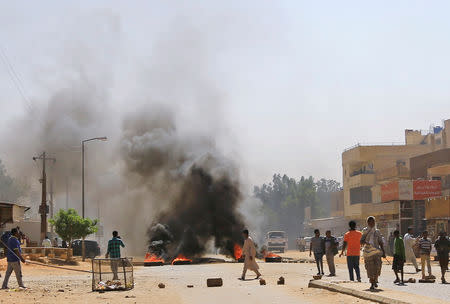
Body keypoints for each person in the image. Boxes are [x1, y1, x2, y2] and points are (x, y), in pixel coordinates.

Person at [361, 216, 385, 291]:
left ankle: (375, 280)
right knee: (370, 268)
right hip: (368, 253)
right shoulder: (365, 231)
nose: (372, 223)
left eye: (373, 222)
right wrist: (366, 243)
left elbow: (380, 242)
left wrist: (383, 252)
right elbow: (361, 241)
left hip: (377, 252)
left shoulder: (377, 231)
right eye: (370, 222)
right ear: (368, 223)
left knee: (378, 267)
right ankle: (372, 283)